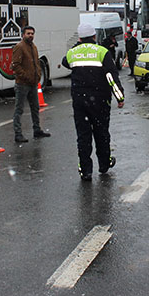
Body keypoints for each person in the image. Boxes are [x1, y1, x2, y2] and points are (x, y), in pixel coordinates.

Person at [62, 23, 125, 181]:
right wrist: (120, 97)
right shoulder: (102, 52)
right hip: (100, 100)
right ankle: (104, 164)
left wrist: (77, 47)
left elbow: (65, 62)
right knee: (101, 133)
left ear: (80, 37)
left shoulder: (73, 53)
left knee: (83, 136)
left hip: (80, 101)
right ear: (94, 36)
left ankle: (85, 171)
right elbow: (111, 77)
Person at [11, 26, 51, 143]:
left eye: (32, 33)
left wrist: (38, 75)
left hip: (33, 83)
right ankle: (18, 134)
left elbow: (37, 63)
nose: (30, 35)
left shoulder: (33, 47)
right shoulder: (19, 47)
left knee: (35, 107)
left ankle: (37, 130)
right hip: (22, 84)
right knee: (19, 109)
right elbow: (16, 65)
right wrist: (26, 76)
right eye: (28, 33)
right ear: (23, 34)